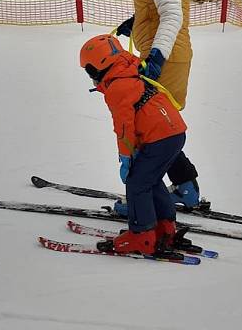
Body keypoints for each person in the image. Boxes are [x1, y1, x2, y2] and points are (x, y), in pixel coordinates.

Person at [110, 0, 202, 209]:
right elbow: (157, 8)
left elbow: (172, 17)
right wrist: (137, 21)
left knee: (151, 129)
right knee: (160, 126)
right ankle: (186, 187)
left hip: (167, 58)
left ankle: (148, 195)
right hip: (162, 52)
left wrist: (157, 60)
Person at [80, 34, 188, 255]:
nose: (90, 76)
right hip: (173, 132)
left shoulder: (117, 87)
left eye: (89, 70)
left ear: (99, 66)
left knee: (137, 183)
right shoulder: (132, 69)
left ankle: (142, 236)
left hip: (160, 137)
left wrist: (126, 157)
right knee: (151, 179)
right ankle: (164, 227)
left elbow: (124, 127)